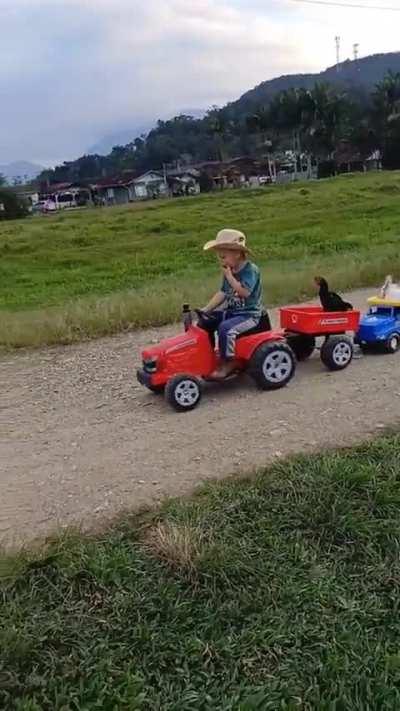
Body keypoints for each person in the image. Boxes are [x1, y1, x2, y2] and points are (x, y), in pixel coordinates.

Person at [200, 229, 263, 379]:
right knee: (206, 322)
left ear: (237, 253)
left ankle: (229, 362)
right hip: (233, 312)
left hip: (249, 314)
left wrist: (230, 277)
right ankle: (206, 357)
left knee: (226, 328)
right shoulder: (230, 270)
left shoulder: (250, 270)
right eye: (219, 257)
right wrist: (206, 310)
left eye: (223, 257)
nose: (221, 261)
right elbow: (223, 292)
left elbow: (244, 293)